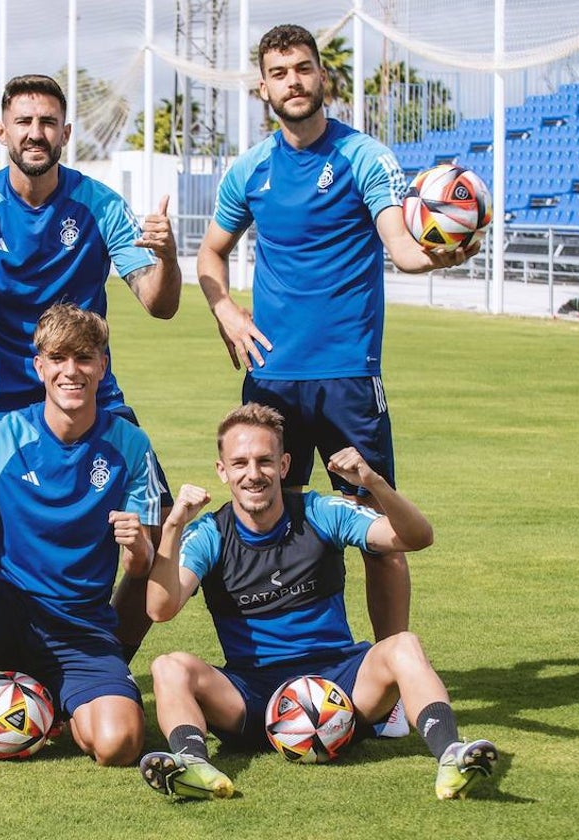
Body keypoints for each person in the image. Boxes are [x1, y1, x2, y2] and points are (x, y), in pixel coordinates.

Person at [196, 24, 480, 649]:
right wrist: (228, 313)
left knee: (380, 531)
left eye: (302, 69)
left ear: (322, 76)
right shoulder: (250, 171)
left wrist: (439, 256)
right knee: (273, 529)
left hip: (348, 377)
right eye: (279, 73)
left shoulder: (364, 157)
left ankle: (389, 678)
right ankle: (291, 667)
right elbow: (210, 255)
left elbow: (401, 246)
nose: (292, 82)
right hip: (270, 381)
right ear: (263, 86)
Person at [0, 73, 181, 666]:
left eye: (47, 123)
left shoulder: (98, 205)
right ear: (2, 131)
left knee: (161, 530)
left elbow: (159, 303)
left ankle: (101, 657)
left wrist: (166, 258)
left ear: (65, 132)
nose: (35, 133)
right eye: (23, 122)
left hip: (88, 401)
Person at [136, 403, 500, 801]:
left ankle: (451, 754)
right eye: (240, 463)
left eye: (265, 461)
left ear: (285, 464)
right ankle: (192, 764)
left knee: (403, 646)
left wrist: (373, 482)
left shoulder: (320, 511)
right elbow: (160, 608)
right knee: (169, 666)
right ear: (222, 471)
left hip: (339, 686)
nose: (253, 474)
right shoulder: (210, 533)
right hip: (253, 694)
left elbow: (416, 537)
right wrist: (173, 525)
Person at [0, 303, 160, 777]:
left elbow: (143, 570)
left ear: (102, 366)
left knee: (118, 744)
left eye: (84, 358)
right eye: (58, 359)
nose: (71, 371)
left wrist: (137, 547)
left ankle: (59, 704)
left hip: (82, 630)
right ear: (39, 366)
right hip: (8, 614)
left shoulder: (132, 446)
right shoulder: (2, 436)